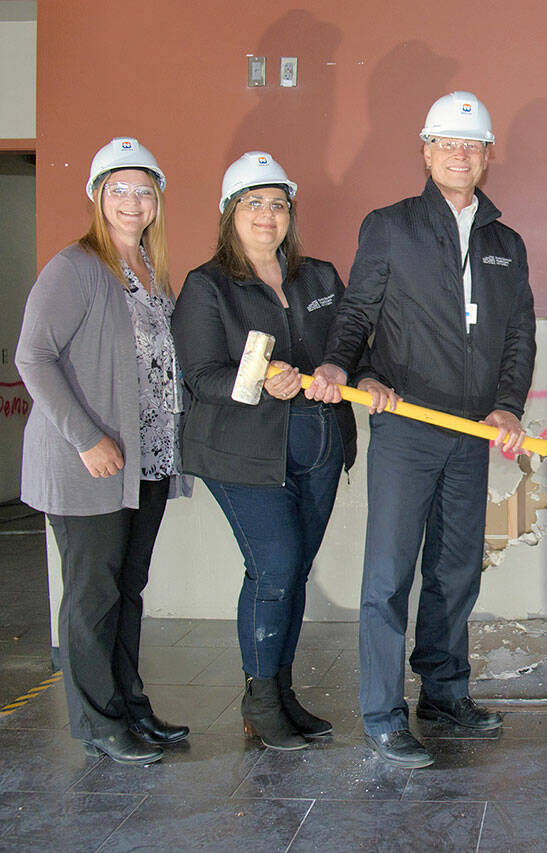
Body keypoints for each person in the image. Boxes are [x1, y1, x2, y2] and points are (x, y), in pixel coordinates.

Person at [307, 91, 536, 769]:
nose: (461, 155)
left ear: (488, 155)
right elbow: (356, 311)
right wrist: (338, 364)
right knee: (389, 573)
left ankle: (443, 691)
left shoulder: (506, 243)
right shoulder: (392, 226)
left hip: (471, 431)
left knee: (457, 567)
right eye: (448, 144)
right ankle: (382, 713)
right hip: (408, 424)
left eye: (473, 145)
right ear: (426, 150)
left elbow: (518, 334)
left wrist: (509, 405)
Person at [171, 152, 358, 751]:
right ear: (229, 213)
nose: (267, 214)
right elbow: (200, 374)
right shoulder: (208, 285)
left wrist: (341, 365)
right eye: (253, 202)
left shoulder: (320, 277)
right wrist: (258, 377)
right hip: (244, 452)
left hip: (320, 445)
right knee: (274, 568)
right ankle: (258, 700)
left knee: (295, 571)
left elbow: (354, 344)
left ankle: (281, 692)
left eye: (278, 204)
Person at [16, 137, 189, 765]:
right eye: (119, 188)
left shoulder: (147, 268)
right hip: (86, 463)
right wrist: (86, 436)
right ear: (97, 196)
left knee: (128, 589)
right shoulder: (75, 267)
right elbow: (32, 357)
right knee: (93, 594)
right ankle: (97, 721)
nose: (132, 200)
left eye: (144, 190)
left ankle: (130, 706)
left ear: (156, 201)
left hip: (144, 461)